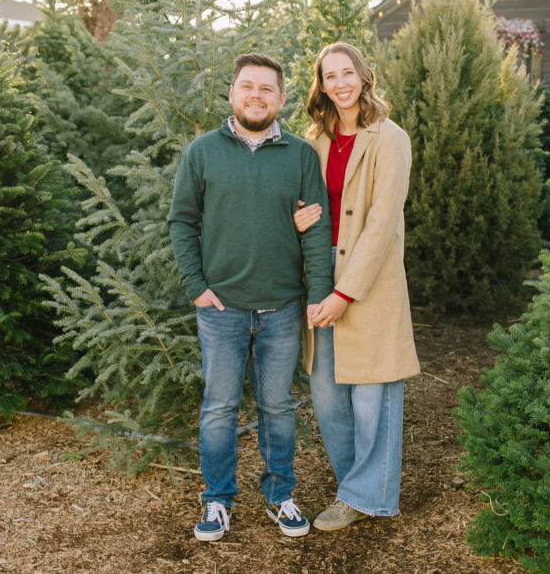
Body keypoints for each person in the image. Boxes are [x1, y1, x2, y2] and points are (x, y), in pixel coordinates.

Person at [168, 52, 333, 542]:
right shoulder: (203, 151)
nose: (256, 95)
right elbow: (182, 221)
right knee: (219, 407)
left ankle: (281, 495)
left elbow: (314, 230)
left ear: (281, 99)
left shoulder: (301, 155)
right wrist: (196, 287)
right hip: (222, 309)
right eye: (247, 86)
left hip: (282, 307)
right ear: (233, 93)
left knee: (278, 407)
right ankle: (217, 500)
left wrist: (317, 292)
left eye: (267, 88)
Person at [294, 41, 420, 531]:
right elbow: (306, 205)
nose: (340, 83)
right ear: (321, 85)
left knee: (373, 391)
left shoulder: (390, 139)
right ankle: (354, 487)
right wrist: (299, 219)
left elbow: (384, 221)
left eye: (348, 73)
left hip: (368, 277)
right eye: (330, 76)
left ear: (364, 77)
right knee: (325, 388)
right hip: (318, 270)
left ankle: (371, 496)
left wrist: (344, 293)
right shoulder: (315, 142)